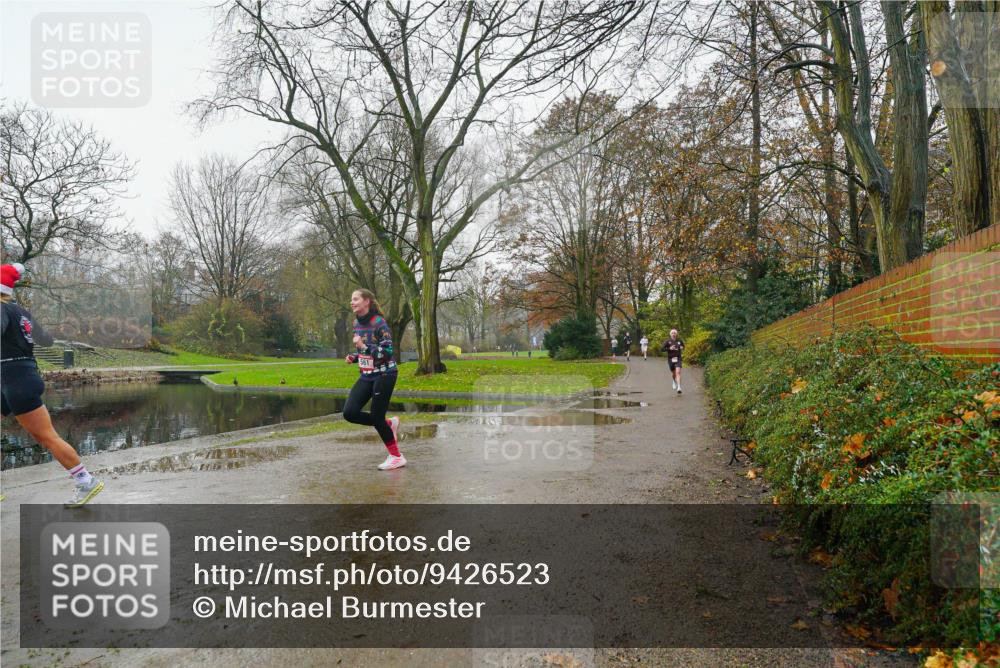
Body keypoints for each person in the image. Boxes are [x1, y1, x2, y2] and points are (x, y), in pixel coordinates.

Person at [0, 263, 104, 507]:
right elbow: (46, 340)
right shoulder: (22, 312)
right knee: (45, 435)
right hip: (18, 376)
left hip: (15, 380)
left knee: (46, 436)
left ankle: (85, 481)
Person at [343, 288, 405, 470]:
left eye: (355, 299)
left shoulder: (379, 323)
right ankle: (389, 424)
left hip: (385, 374)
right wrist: (355, 356)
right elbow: (365, 350)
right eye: (351, 300)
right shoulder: (356, 323)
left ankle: (396, 456)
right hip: (367, 375)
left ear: (366, 301)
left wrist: (364, 346)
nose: (352, 302)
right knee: (350, 412)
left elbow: (387, 352)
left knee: (376, 415)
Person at [660, 329, 685, 394]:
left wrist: (682, 347)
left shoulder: (679, 341)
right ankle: (674, 380)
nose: (673, 334)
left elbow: (683, 346)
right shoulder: (667, 341)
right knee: (674, 373)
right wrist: (669, 348)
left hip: (678, 358)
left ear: (676, 334)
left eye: (675, 333)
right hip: (671, 359)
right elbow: (662, 349)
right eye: (672, 333)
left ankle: (679, 387)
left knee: (678, 372)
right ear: (670, 334)